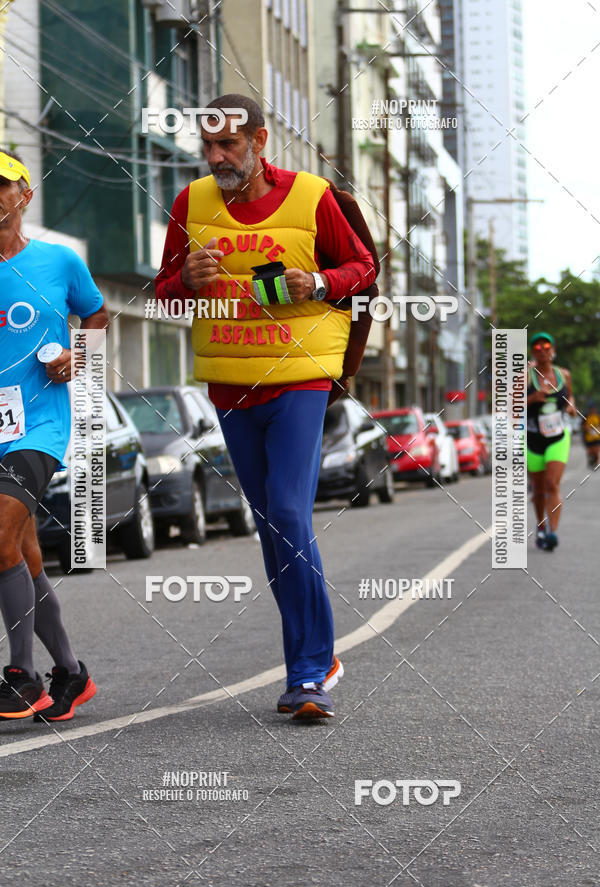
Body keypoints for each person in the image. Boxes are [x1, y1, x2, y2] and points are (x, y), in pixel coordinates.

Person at [156, 95, 377, 719]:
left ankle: (310, 670)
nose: (216, 157)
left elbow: (364, 266)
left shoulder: (311, 196)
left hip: (300, 381)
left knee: (287, 511)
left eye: (228, 145)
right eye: (209, 146)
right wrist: (185, 283)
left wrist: (322, 283)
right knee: (270, 526)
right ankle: (311, 662)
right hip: (231, 388)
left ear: (259, 141)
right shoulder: (190, 204)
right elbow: (165, 298)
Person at [0, 149, 108, 720]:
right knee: (22, 552)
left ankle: (22, 676)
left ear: (24, 196)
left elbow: (97, 316)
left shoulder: (59, 262)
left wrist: (77, 358)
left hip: (40, 423)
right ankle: (70, 672)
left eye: (2, 184)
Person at [526, 332, 575, 551]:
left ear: (552, 350)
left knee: (552, 484)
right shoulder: (525, 377)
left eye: (546, 346)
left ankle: (553, 533)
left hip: (557, 437)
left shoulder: (564, 375)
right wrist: (532, 399)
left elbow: (570, 397)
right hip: (533, 439)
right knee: (537, 489)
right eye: (537, 347)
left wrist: (571, 406)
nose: (542, 350)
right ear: (532, 353)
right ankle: (541, 524)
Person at [583, 403, 600, 468]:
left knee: (596, 451)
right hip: (588, 438)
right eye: (591, 409)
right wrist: (587, 428)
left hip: (596, 437)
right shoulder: (586, 417)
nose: (593, 410)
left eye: (593, 409)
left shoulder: (597, 416)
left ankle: (597, 463)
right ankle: (591, 461)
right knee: (590, 451)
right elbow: (582, 426)